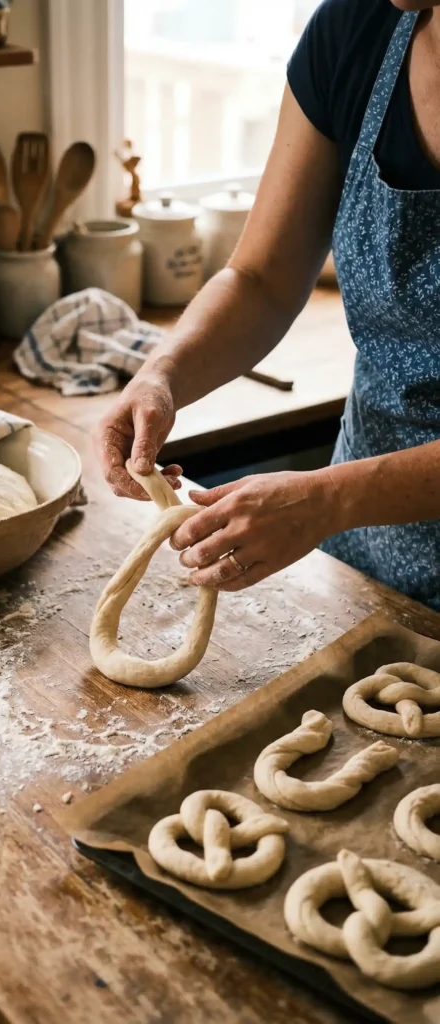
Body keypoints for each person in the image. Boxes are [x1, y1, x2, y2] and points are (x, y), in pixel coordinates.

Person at [97, 0, 440, 610]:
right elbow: (261, 279)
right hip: (367, 550)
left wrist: (330, 498)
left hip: (346, 501)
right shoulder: (356, 30)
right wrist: (162, 375)